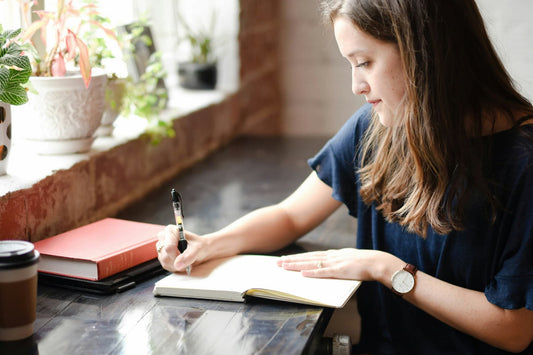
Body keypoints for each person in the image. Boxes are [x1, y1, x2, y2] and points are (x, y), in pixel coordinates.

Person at [157, 0, 533, 353]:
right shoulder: (378, 127)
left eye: (365, 62)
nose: (356, 86)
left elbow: (513, 328)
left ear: (425, 54)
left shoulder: (524, 163)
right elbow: (291, 216)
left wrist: (387, 270)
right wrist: (212, 243)